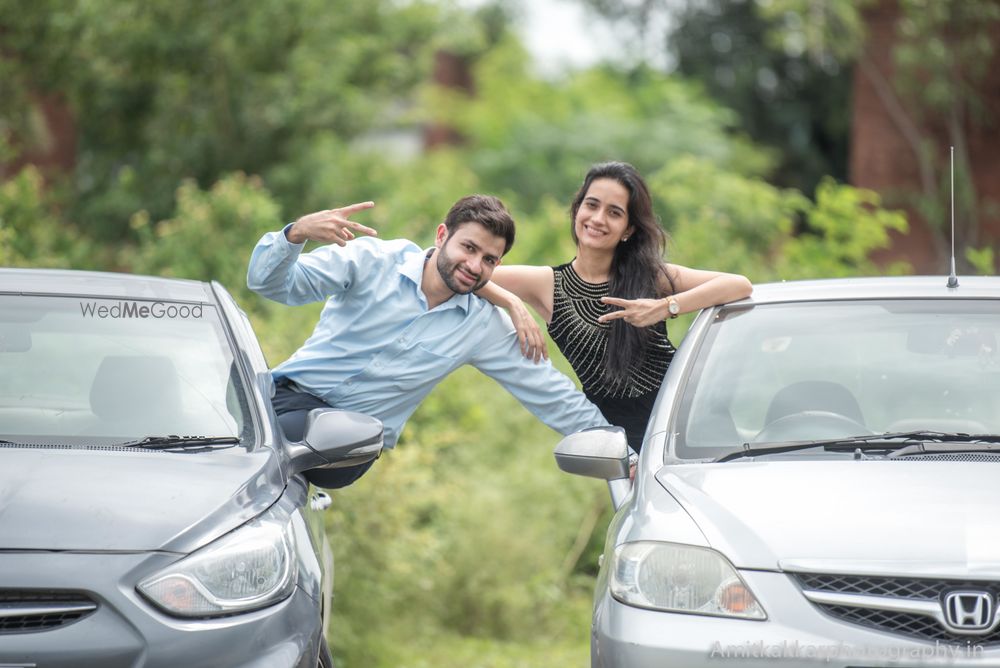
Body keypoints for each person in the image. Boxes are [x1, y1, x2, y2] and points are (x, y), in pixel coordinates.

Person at [247, 194, 610, 488]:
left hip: (350, 445)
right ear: (441, 236)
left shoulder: (483, 326)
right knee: (233, 413)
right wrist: (295, 233)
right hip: (290, 398)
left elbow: (552, 394)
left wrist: (622, 452)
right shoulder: (373, 261)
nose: (474, 264)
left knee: (272, 441)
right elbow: (270, 284)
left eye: (489, 260)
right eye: (467, 247)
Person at [479, 162, 752, 453]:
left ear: (628, 229)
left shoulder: (650, 275)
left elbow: (739, 284)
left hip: (698, 422)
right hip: (631, 452)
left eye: (614, 212)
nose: (598, 219)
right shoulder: (547, 284)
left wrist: (666, 307)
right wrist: (513, 303)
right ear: (577, 210)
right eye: (591, 205)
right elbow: (469, 275)